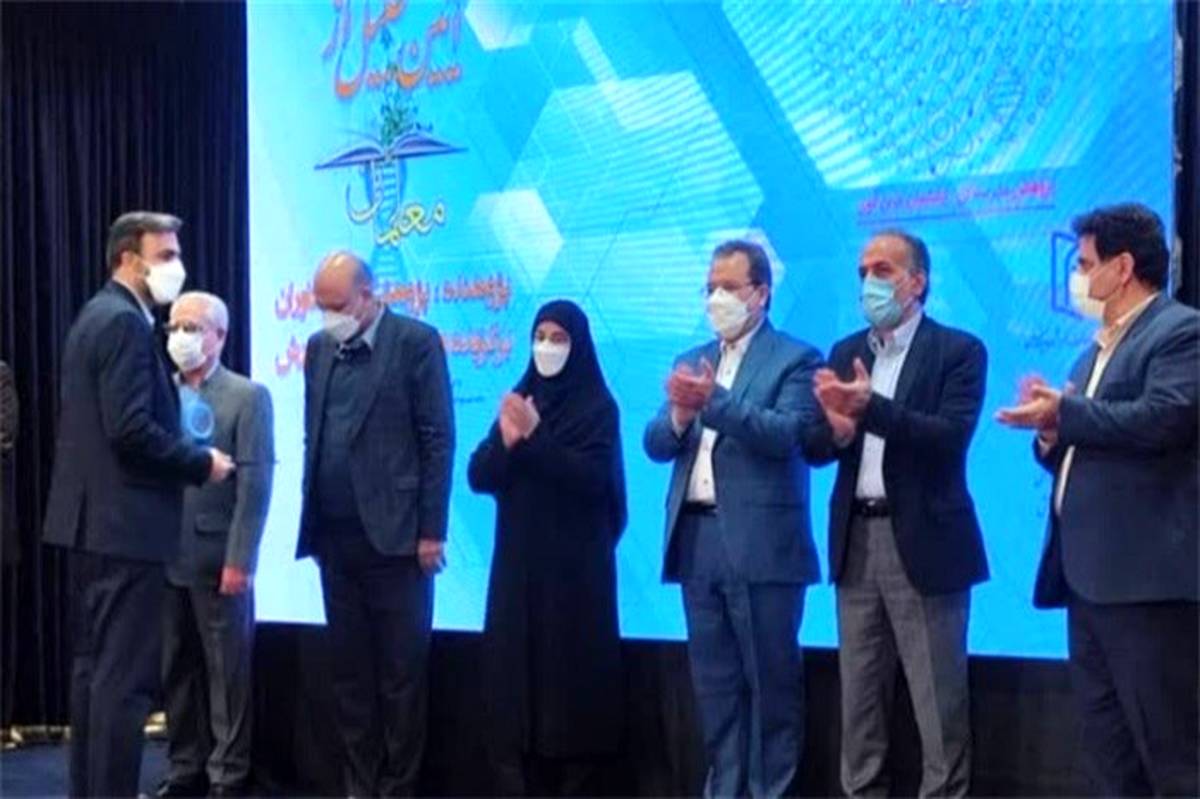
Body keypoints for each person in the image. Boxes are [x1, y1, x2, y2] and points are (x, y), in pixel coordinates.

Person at [997, 203, 1198, 796]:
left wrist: (1069, 413)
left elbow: (1165, 419)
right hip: (1088, 580)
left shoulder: (1179, 332)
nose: (1077, 277)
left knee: (1171, 754)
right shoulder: (1093, 352)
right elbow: (1086, 443)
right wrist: (1051, 433)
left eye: (1084, 264)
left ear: (1123, 267)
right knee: (1108, 753)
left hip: (1146, 584)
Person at [42, 211, 235, 798]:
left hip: (91, 526)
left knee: (95, 677)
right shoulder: (124, 323)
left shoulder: (94, 316)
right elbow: (129, 430)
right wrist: (200, 462)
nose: (178, 267)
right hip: (124, 528)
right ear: (128, 258)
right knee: (121, 684)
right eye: (166, 255)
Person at [643, 239, 825, 798]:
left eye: (728, 287)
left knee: (771, 688)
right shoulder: (693, 358)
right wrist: (679, 414)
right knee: (715, 689)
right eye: (710, 288)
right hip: (696, 540)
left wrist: (713, 402)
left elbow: (787, 434)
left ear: (761, 293)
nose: (716, 298)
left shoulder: (796, 359)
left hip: (762, 545)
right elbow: (655, 443)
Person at [810, 230, 988, 797]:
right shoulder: (846, 351)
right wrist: (837, 431)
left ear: (917, 281)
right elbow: (817, 447)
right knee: (859, 705)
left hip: (926, 544)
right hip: (855, 540)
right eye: (863, 271)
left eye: (882, 271)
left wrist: (872, 408)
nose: (869, 282)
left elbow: (948, 438)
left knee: (939, 708)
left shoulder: (958, 351)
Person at [295, 250, 455, 797]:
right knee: (349, 678)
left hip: (398, 540)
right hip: (334, 538)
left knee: (401, 678)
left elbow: (437, 439)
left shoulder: (415, 342)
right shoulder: (318, 349)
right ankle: (358, 787)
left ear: (368, 295)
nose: (327, 316)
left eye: (337, 305)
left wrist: (432, 530)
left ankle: (397, 788)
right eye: (320, 306)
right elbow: (313, 435)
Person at [467, 300, 626, 796]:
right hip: (517, 572)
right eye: (540, 337)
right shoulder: (521, 398)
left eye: (558, 339)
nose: (546, 348)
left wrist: (534, 440)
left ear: (578, 346)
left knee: (569, 688)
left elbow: (592, 480)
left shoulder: (597, 409)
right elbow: (479, 475)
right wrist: (507, 442)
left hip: (575, 577)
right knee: (515, 687)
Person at [158, 292, 275, 798]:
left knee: (227, 671)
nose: (180, 337)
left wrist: (240, 559)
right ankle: (185, 766)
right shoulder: (159, 391)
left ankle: (228, 772)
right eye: (174, 327)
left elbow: (256, 484)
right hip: (165, 554)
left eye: (192, 328)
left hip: (218, 558)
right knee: (175, 667)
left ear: (220, 336)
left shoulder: (247, 396)